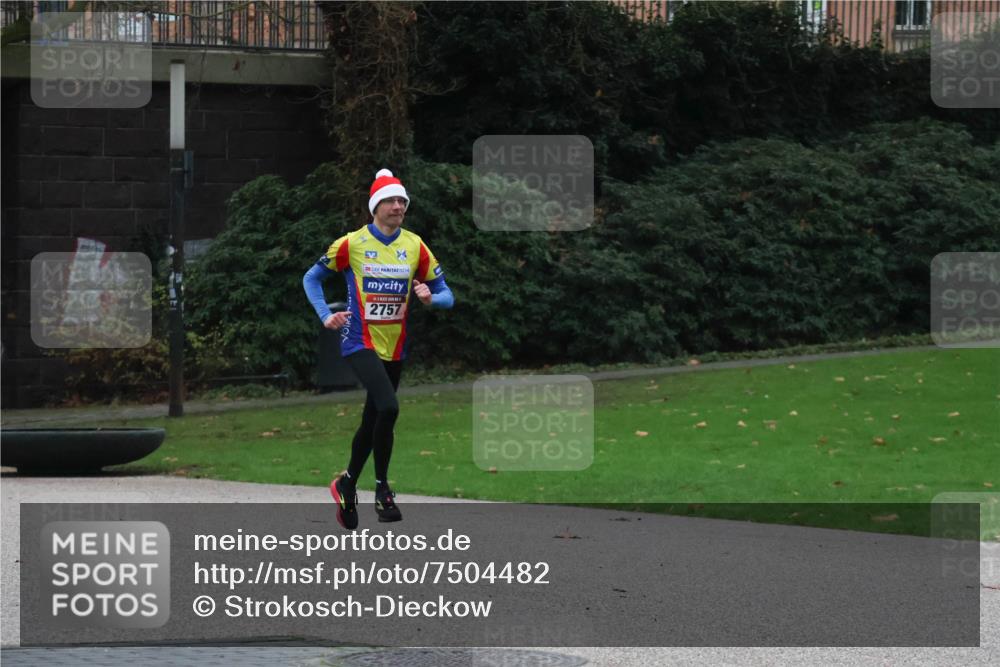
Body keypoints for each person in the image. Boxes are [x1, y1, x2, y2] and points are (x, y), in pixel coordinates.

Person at [302, 169, 454, 530]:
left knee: (375, 419)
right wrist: (326, 314)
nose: (398, 206)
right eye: (391, 200)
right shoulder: (351, 243)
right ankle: (383, 489)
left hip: (394, 346)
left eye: (402, 201)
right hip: (359, 340)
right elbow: (311, 278)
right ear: (375, 207)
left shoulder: (415, 245)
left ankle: (347, 484)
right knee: (388, 406)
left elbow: (447, 293)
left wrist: (432, 297)